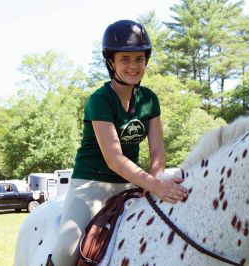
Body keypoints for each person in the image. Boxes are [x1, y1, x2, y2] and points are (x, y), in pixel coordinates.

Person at [48, 20, 188, 266]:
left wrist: (154, 182)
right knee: (65, 252)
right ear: (111, 62)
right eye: (125, 59)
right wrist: (154, 184)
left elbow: (157, 153)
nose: (133, 66)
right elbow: (114, 159)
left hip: (130, 184)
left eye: (139, 59)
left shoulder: (150, 99)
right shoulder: (100, 100)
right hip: (90, 184)